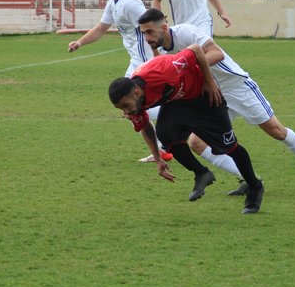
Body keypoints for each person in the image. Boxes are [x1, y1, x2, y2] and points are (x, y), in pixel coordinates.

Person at [139, 8, 295, 196]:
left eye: (150, 32)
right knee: (196, 143)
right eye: (144, 33)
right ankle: (248, 179)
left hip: (236, 86)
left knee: (276, 130)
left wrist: (191, 70)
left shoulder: (186, 32)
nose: (147, 38)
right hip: (210, 95)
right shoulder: (160, 50)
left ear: (164, 27)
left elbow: (217, 53)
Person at [108, 40, 265, 214]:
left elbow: (196, 49)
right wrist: (158, 159)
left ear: (137, 92)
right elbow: (146, 127)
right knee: (165, 134)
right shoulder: (133, 102)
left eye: (125, 106)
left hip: (204, 94)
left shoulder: (164, 71)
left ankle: (255, 186)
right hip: (179, 101)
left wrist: (209, 81)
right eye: (121, 108)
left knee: (229, 146)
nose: (125, 112)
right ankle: (201, 173)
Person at [67, 0, 172, 162]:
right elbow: (101, 28)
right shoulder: (113, 2)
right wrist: (79, 42)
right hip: (136, 62)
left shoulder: (130, 4)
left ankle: (177, 123)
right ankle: (161, 148)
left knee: (136, 107)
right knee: (130, 108)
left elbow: (150, 30)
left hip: (146, 63)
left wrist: (157, 60)